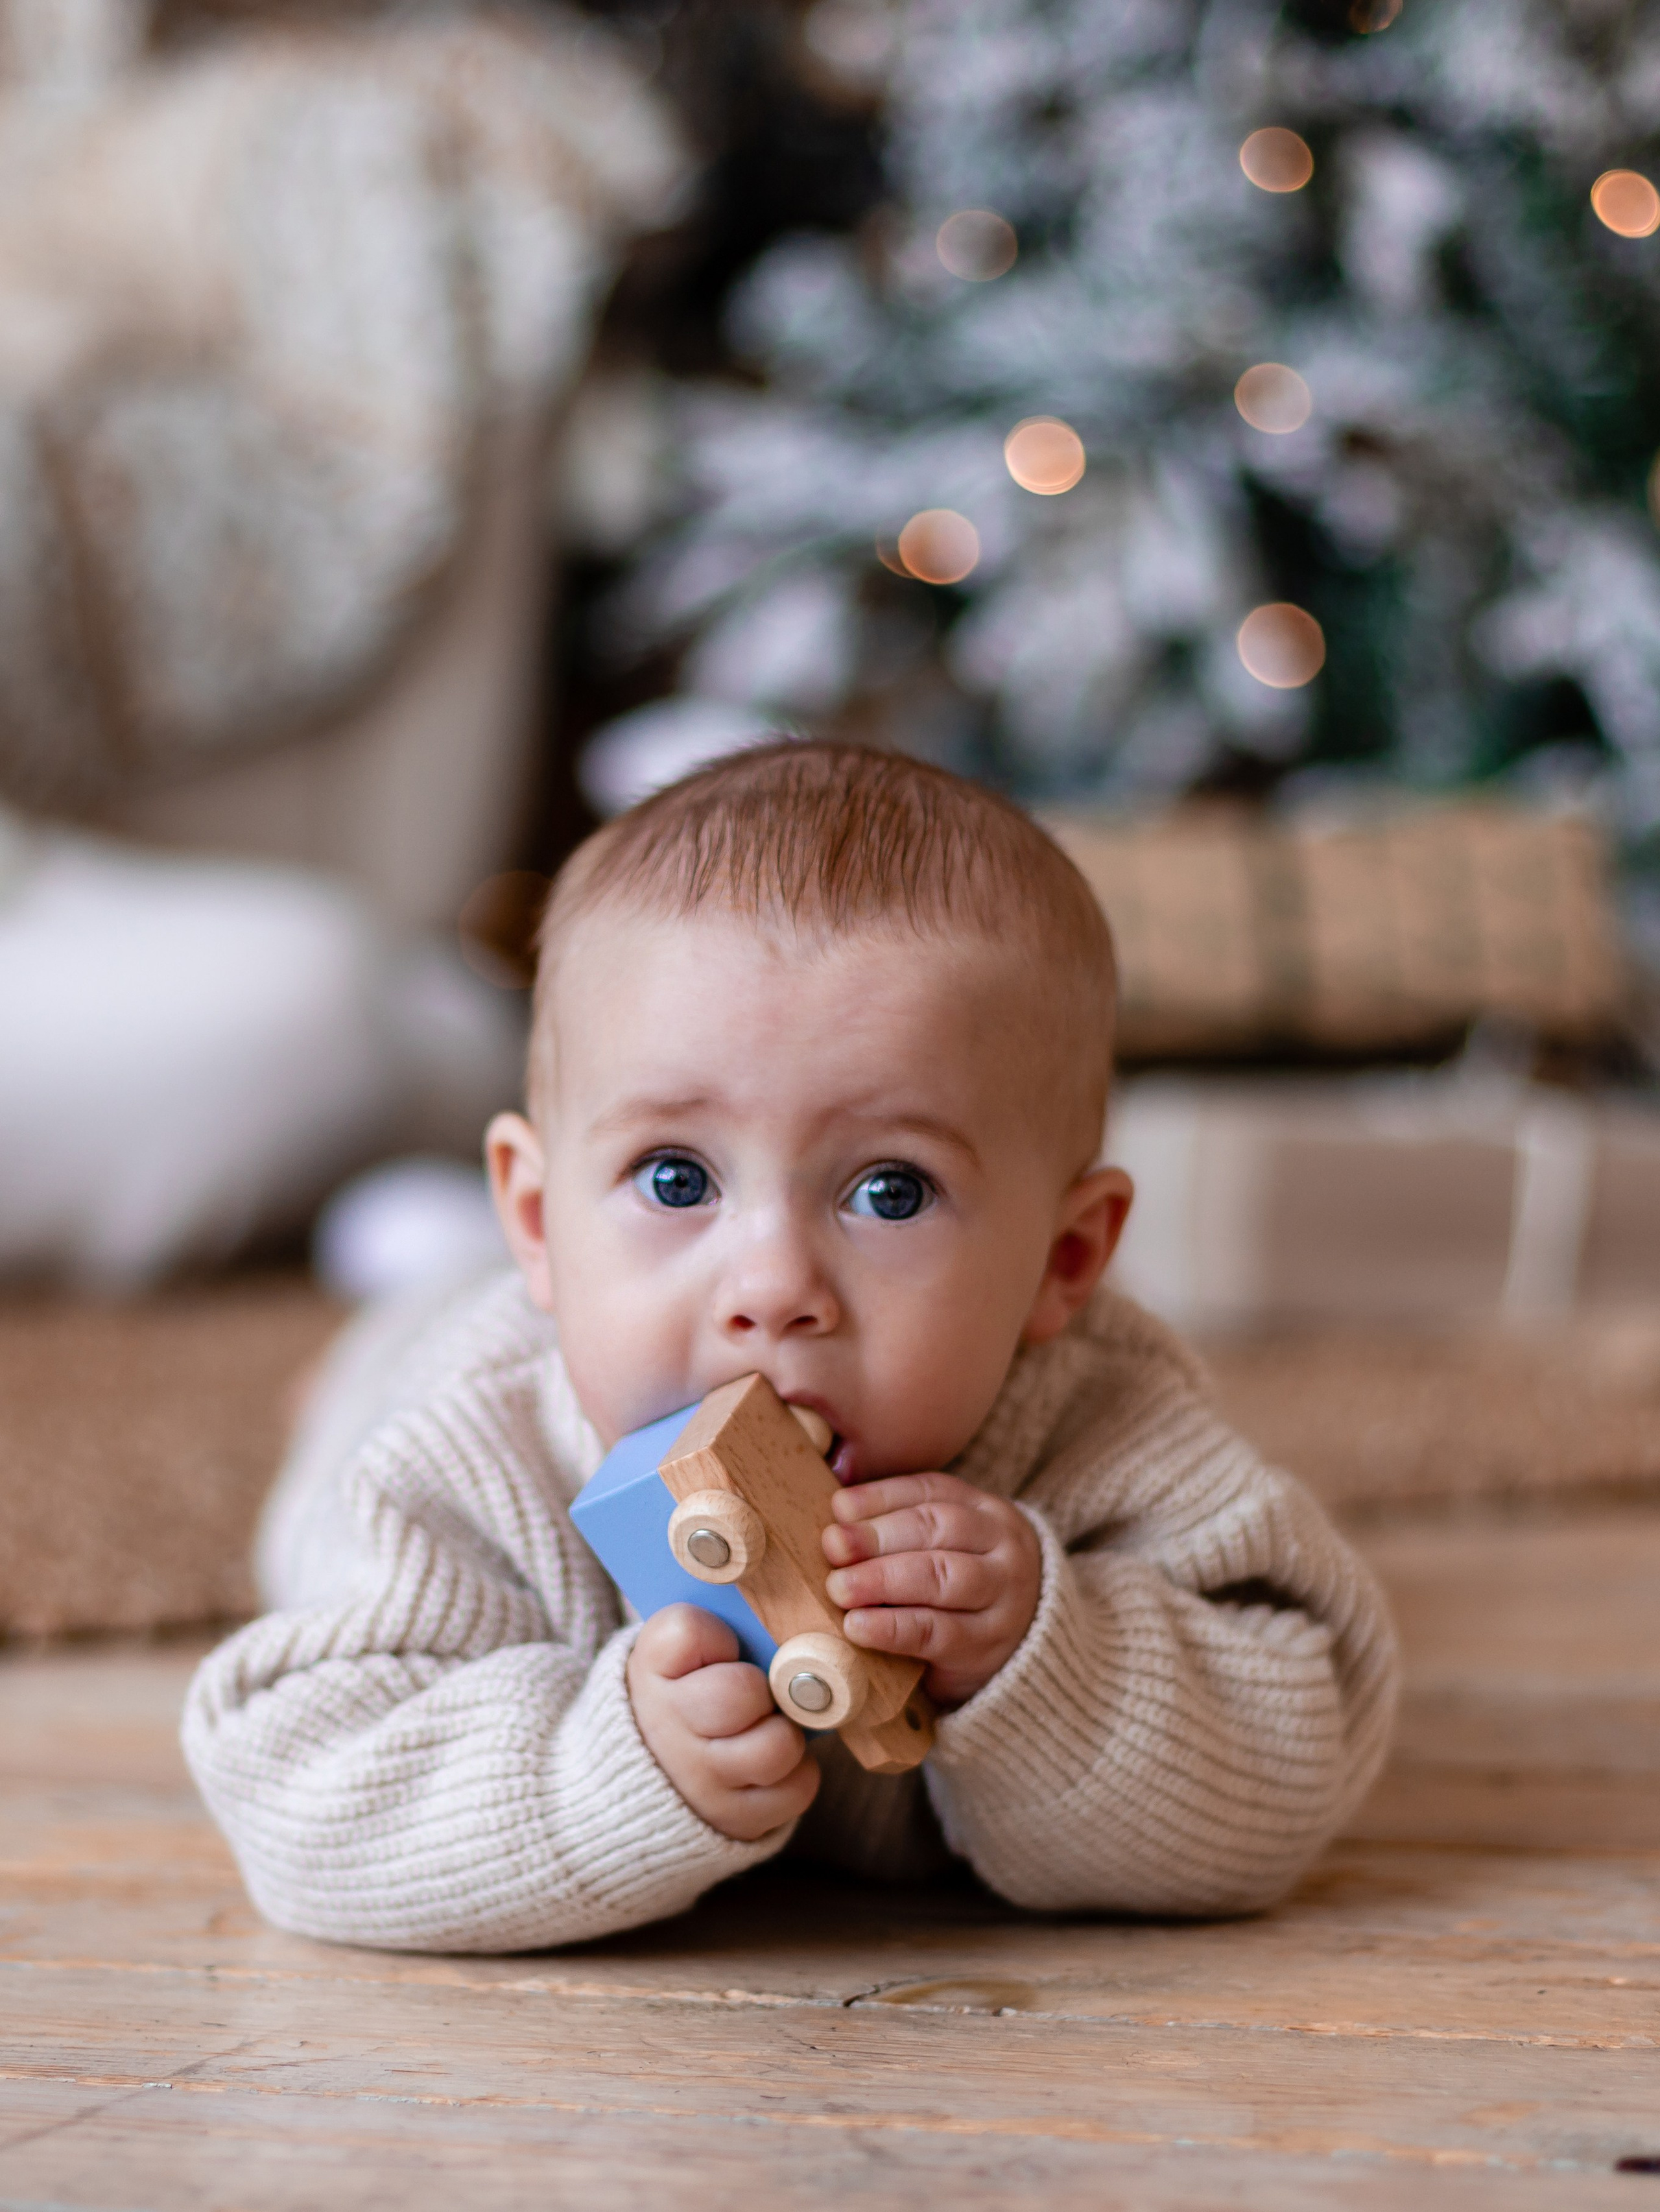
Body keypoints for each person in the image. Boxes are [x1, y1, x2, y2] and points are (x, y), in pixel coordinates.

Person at [183, 741, 1397, 1951]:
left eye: (889, 1193)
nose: (771, 1290)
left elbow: (1296, 1747)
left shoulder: (1102, 1432)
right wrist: (609, 1765)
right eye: (676, 1177)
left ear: (1064, 1263)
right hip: (421, 1367)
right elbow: (296, 1799)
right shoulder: (469, 1451)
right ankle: (388, 1319)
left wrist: (1049, 1647)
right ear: (542, 1220)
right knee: (379, 1385)